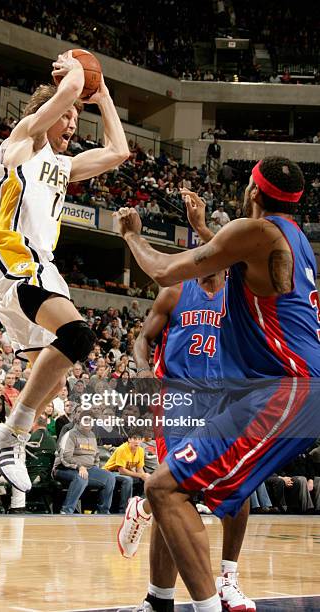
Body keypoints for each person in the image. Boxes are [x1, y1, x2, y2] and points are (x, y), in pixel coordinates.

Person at [115, 157, 320, 611]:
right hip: (271, 392)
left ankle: (216, 590)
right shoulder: (293, 240)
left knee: (166, 488)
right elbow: (231, 261)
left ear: (252, 191)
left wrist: (130, 234)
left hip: (286, 389)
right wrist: (205, 228)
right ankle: (160, 600)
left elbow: (165, 270)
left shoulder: (256, 232)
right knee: (171, 488)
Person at [0, 50, 128, 497]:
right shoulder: (19, 144)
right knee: (79, 336)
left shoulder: (63, 166)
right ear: (48, 114)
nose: (73, 125)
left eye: (78, 119)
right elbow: (60, 100)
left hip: (42, 264)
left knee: (53, 378)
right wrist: (75, 79)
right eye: (68, 118)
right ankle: (8, 437)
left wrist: (104, 97)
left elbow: (117, 151)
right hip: (9, 253)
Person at [120, 270, 253, 611]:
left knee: (239, 485)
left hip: (222, 400)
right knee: (177, 494)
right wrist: (142, 369)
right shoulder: (175, 292)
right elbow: (142, 340)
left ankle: (227, 578)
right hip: (177, 399)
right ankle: (158, 599)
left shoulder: (239, 299)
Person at [53, 410, 115, 514]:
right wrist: (79, 467)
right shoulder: (71, 434)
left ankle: (103, 511)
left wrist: (96, 468)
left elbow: (96, 456)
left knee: (109, 477)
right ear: (78, 421)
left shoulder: (92, 436)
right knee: (81, 478)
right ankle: (66, 510)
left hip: (88, 469)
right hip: (63, 468)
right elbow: (65, 457)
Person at [103, 429, 149, 513]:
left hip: (124, 473)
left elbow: (139, 469)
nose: (137, 441)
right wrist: (141, 475)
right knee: (128, 480)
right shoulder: (122, 449)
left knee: (146, 480)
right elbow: (122, 471)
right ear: (129, 439)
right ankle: (124, 510)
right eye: (134, 439)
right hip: (109, 472)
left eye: (139, 439)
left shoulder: (141, 450)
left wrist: (145, 477)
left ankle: (139, 509)